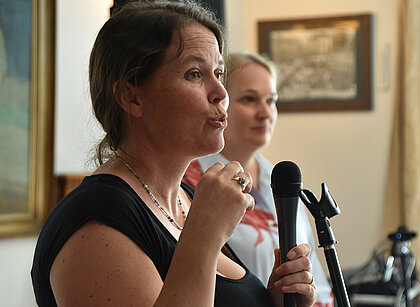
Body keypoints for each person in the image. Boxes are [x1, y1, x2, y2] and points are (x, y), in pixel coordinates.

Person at [31, 1, 317, 306]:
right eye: (194, 74)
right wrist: (205, 236)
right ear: (131, 96)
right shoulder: (96, 218)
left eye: (218, 73)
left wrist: (273, 300)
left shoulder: (189, 197)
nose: (221, 92)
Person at [183, 51, 334, 306]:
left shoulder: (284, 181)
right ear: (220, 100)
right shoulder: (190, 184)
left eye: (271, 101)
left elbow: (316, 280)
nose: (265, 112)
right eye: (250, 99)